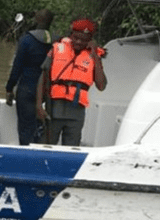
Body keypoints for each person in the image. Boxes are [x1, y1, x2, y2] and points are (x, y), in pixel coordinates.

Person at [35, 18, 107, 146]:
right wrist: (39, 105)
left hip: (76, 114)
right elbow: (43, 77)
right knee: (46, 146)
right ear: (71, 35)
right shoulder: (57, 49)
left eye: (83, 40)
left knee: (71, 148)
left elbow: (101, 86)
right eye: (76, 38)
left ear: (90, 40)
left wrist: (95, 56)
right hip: (54, 110)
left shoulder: (93, 56)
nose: (78, 42)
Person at [5, 9, 54, 145]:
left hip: (27, 87)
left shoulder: (27, 40)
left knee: (26, 127)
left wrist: (9, 88)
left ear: (37, 20)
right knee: (41, 127)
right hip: (47, 90)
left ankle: (26, 155)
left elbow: (17, 67)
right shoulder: (56, 41)